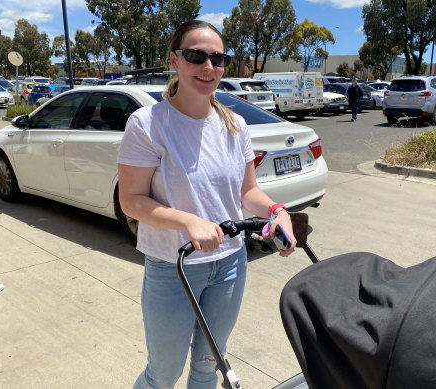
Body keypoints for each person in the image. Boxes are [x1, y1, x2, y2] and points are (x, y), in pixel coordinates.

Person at [117, 20, 296, 389]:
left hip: (230, 263)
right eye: (196, 55)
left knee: (208, 365)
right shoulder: (148, 124)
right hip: (173, 267)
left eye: (218, 58)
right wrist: (188, 221)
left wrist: (277, 211)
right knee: (163, 373)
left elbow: (248, 192)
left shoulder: (235, 125)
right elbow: (131, 201)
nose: (208, 66)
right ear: (175, 60)